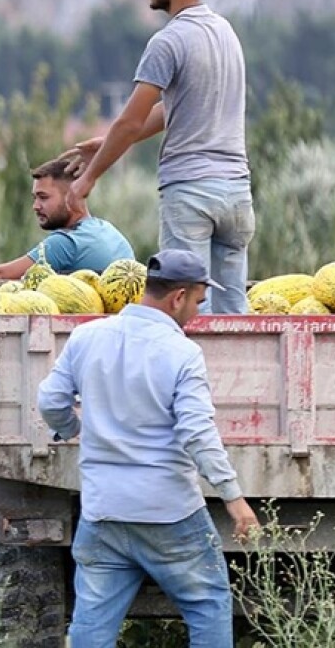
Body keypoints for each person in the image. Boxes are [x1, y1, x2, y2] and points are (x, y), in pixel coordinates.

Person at [38, 248, 260, 647]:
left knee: (91, 627)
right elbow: (197, 433)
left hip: (103, 512)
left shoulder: (87, 337)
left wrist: (74, 427)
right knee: (207, 602)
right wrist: (233, 497)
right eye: (197, 301)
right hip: (169, 515)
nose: (196, 312)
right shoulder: (182, 353)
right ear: (178, 297)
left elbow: (50, 401)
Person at [61, 0, 254, 314]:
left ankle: (189, 377)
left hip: (191, 194)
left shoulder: (168, 42)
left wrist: (87, 179)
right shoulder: (225, 33)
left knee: (183, 310)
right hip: (236, 194)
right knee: (233, 311)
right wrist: (107, 141)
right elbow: (171, 111)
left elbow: (131, 121)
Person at [0, 157, 134, 281]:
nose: (35, 206)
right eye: (34, 198)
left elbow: (0, 275)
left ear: (72, 195)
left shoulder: (67, 243)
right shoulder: (109, 230)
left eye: (43, 197)